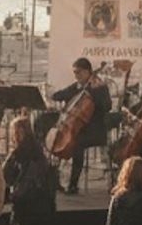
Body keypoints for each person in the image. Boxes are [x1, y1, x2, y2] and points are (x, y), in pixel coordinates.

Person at [1, 116, 57, 225]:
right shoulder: (40, 153)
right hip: (42, 207)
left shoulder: (17, 154)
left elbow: (6, 176)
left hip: (24, 207)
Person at [48, 57, 112, 194]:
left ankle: (72, 184)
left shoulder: (100, 87)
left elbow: (107, 107)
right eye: (75, 73)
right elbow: (58, 95)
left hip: (95, 131)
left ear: (89, 72)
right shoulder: (77, 86)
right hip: (77, 129)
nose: (76, 76)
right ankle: (54, 179)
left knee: (76, 143)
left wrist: (95, 92)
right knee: (57, 139)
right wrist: (52, 94)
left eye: (79, 73)